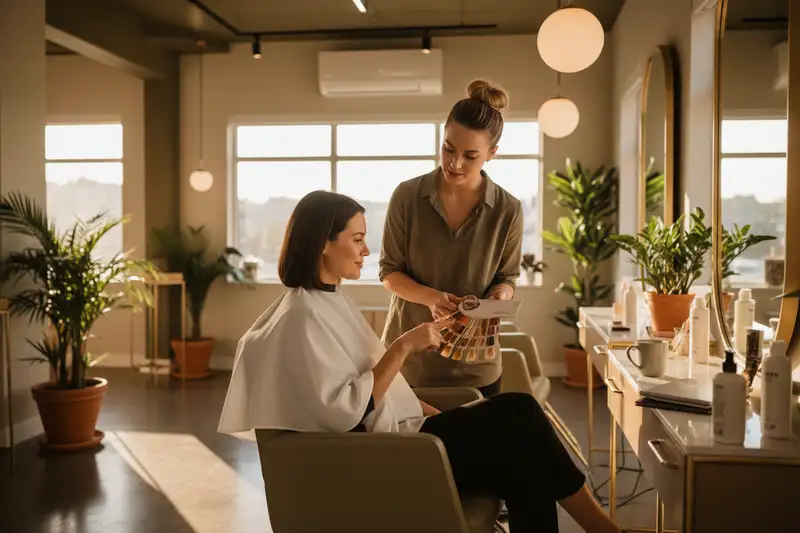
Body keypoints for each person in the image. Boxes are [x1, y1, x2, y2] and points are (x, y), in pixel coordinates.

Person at [217, 191, 623, 533]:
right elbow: (348, 413)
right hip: (384, 461)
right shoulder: (299, 319)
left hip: (403, 440)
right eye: (357, 239)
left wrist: (459, 412)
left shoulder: (328, 302)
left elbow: (384, 393)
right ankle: (603, 529)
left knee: (523, 458)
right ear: (324, 242)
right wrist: (403, 346)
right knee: (520, 414)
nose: (366, 250)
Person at [380, 79, 522, 397]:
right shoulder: (406, 196)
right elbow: (389, 273)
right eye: (448, 149)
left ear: (492, 153)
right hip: (409, 364)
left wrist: (499, 297)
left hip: (478, 367)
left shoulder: (508, 209)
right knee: (415, 449)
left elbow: (507, 277)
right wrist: (432, 298)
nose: (455, 163)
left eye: (470, 155)